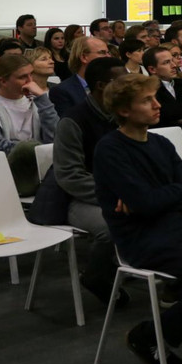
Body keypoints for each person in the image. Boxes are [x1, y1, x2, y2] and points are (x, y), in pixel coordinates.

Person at [93, 74, 182, 364]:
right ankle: (150, 336)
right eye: (147, 100)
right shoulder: (110, 149)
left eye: (156, 97)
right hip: (141, 239)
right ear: (124, 110)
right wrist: (156, 198)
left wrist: (153, 197)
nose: (157, 105)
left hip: (177, 227)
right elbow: (152, 202)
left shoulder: (160, 142)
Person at [52, 57, 127, 308]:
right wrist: (113, 197)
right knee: (110, 226)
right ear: (101, 86)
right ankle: (96, 277)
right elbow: (70, 176)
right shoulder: (73, 121)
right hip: (81, 198)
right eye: (121, 82)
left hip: (121, 191)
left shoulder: (123, 114)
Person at [0, 54, 60, 195]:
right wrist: (35, 151)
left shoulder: (37, 101)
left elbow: (55, 139)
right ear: (3, 81)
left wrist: (43, 100)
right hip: (2, 176)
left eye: (31, 74)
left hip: (43, 173)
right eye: (23, 77)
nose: (30, 81)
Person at [147, 45, 182, 129]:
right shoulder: (148, 91)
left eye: (172, 61)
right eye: (166, 62)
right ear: (152, 69)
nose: (174, 65)